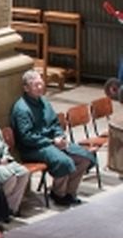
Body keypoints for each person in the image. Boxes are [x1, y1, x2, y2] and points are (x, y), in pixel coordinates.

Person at [11, 69, 94, 205]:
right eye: (35, 85)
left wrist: (59, 136)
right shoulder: (22, 108)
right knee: (63, 161)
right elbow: (26, 136)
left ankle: (69, 192)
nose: (40, 88)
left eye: (40, 84)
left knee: (84, 157)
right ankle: (58, 194)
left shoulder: (43, 101)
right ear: (26, 88)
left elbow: (54, 122)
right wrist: (51, 141)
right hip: (34, 148)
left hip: (52, 142)